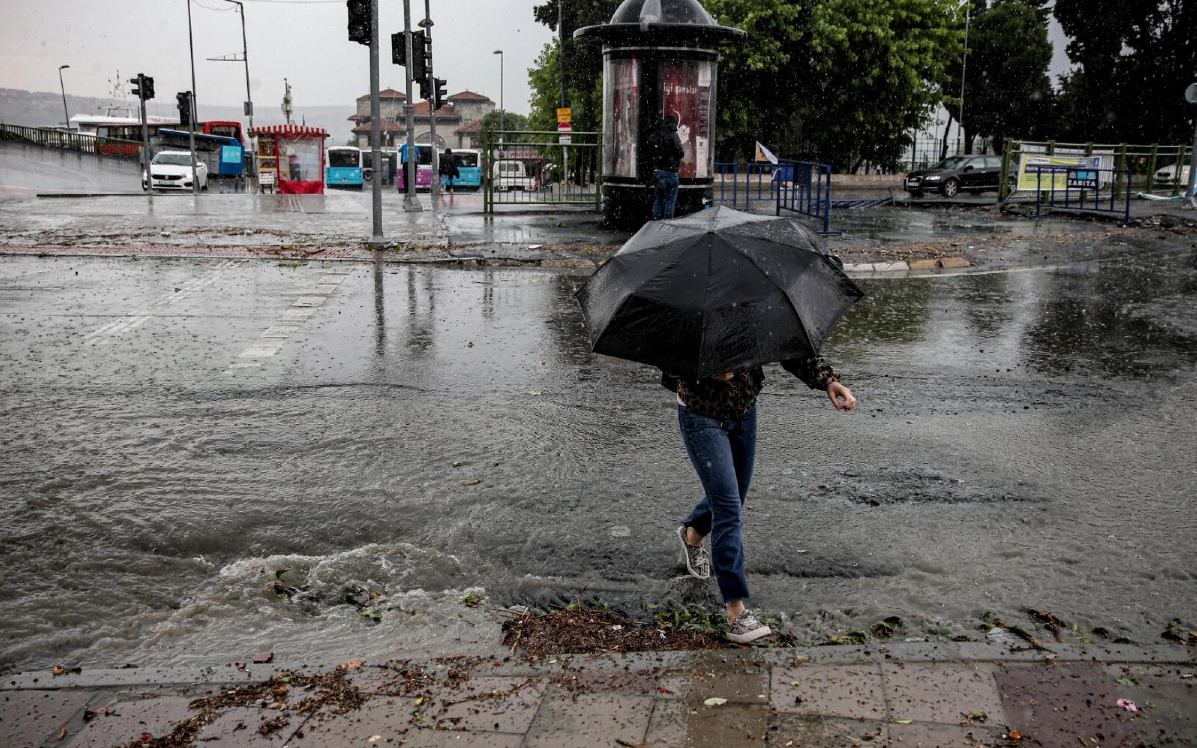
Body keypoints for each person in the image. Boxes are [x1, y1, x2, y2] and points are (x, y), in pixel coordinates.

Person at [663, 357, 856, 643]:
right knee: (728, 510)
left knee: (734, 496)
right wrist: (704, 370)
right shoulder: (689, 313)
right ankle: (735, 611)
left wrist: (828, 380)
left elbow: (786, 343)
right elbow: (667, 355)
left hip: (744, 412)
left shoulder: (747, 312)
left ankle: (693, 532)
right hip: (701, 415)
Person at [647, 115, 685, 220]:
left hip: (657, 172)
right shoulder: (673, 135)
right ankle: (668, 224)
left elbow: (650, 152)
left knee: (658, 199)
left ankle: (656, 223)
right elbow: (680, 153)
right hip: (670, 172)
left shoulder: (655, 135)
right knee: (670, 200)